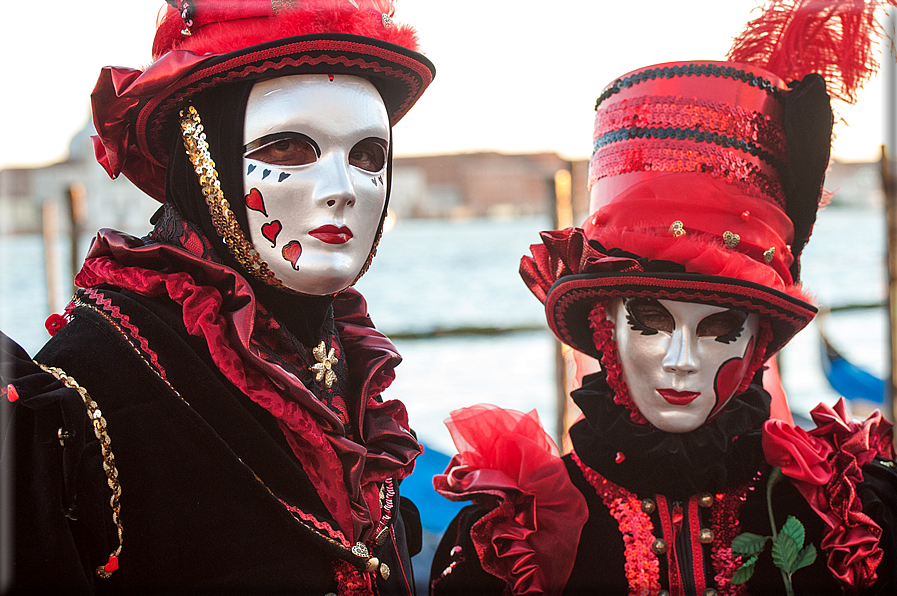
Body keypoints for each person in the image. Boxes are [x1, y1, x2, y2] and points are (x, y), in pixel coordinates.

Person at [428, 1, 897, 595]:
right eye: (650, 324)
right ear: (606, 329)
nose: (681, 360)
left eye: (721, 329)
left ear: (757, 343)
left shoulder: (846, 518)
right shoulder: (514, 538)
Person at [0, 1, 434, 593]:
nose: (342, 190)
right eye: (287, 149)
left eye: (367, 156)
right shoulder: (88, 394)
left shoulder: (347, 372)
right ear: (206, 159)